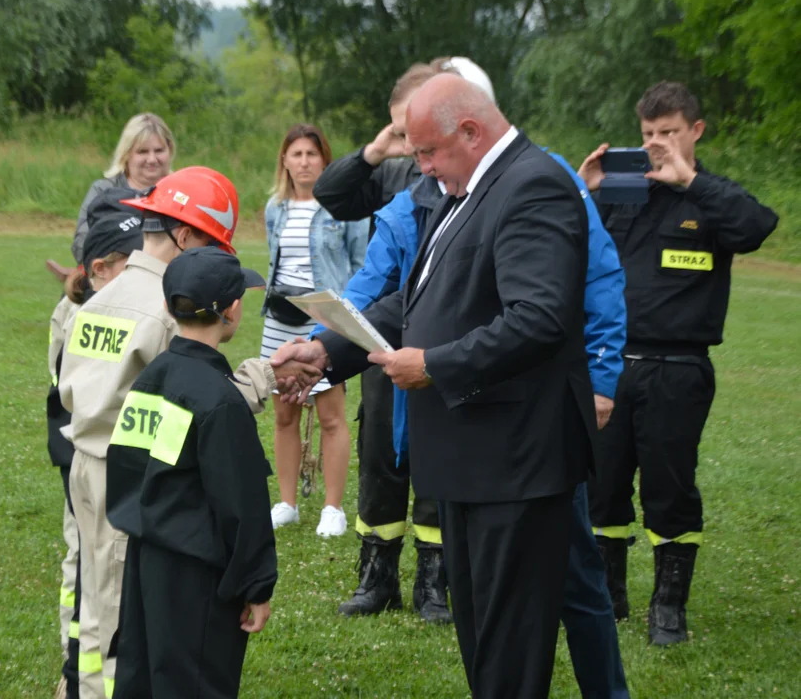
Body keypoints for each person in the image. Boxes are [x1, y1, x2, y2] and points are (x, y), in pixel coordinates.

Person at [274, 74, 597, 698]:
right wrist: (325, 352)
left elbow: (540, 318)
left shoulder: (533, 188)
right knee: (483, 643)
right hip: (470, 460)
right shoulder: (462, 187)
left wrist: (436, 366)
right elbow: (415, 303)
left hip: (516, 463)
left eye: (427, 152)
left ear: (470, 132)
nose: (419, 167)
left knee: (509, 651)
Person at [59, 166, 321, 698]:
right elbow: (190, 408)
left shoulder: (98, 298)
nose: (218, 263)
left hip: (88, 467)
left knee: (90, 597)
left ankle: (75, 684)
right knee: (122, 623)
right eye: (215, 247)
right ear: (184, 235)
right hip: (140, 478)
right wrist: (265, 375)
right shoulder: (160, 316)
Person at [579, 81, 779, 645]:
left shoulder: (710, 196)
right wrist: (585, 190)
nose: (656, 145)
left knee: (670, 489)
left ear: (695, 131)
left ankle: (668, 607)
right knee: (603, 485)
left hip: (678, 369)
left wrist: (689, 178)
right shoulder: (619, 194)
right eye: (647, 135)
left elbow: (757, 227)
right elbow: (563, 246)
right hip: (611, 366)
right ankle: (609, 595)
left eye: (668, 133)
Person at [106, 247, 277, 698]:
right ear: (233, 311)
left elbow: (126, 467)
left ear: (168, 306)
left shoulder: (151, 378)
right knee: (197, 683)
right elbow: (241, 504)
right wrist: (256, 585)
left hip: (146, 563)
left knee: (143, 676)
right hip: (199, 579)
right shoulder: (220, 402)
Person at [48, 216, 144, 699]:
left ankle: (81, 681)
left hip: (99, 466)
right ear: (100, 269)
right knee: (91, 585)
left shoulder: (109, 309)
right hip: (88, 467)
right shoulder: (81, 316)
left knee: (99, 587)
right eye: (133, 264)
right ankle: (79, 681)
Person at [260, 124, 368, 537]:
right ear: (284, 161)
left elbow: (360, 266)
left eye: (311, 154)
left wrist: (341, 320)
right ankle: (286, 502)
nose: (304, 162)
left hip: (324, 318)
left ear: (325, 159)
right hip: (280, 318)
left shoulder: (344, 208)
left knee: (331, 416)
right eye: (296, 154)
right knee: (284, 412)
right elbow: (276, 263)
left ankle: (332, 508)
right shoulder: (275, 208)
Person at [46, 113, 174, 281]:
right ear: (126, 154)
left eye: (159, 150)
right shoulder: (103, 191)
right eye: (142, 152)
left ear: (170, 151)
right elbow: (82, 245)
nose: (152, 159)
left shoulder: (180, 192)